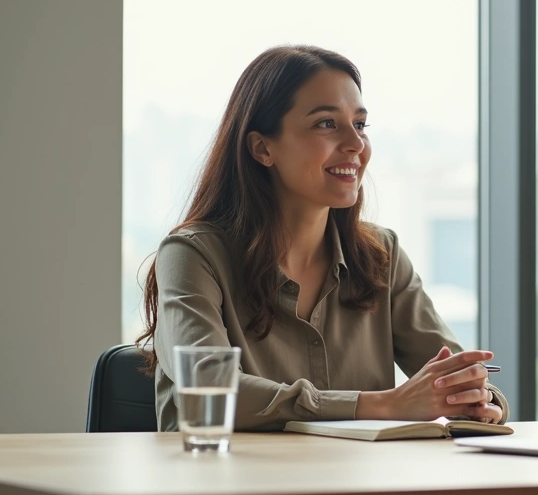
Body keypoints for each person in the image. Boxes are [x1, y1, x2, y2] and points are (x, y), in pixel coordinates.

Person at [136, 45, 507, 431]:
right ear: (263, 148)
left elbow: (454, 375)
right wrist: (381, 405)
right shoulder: (193, 255)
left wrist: (477, 401)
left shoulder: (383, 255)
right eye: (326, 124)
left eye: (360, 125)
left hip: (355, 490)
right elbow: (207, 385)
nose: (355, 144)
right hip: (227, 485)